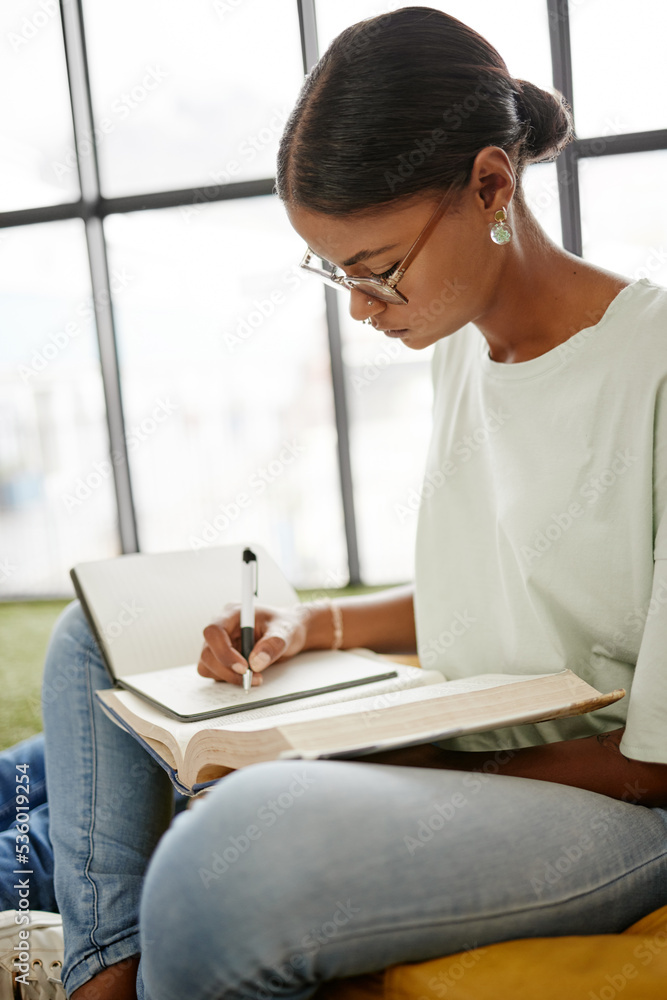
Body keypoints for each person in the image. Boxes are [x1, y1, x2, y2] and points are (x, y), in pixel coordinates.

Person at [6, 5, 666, 999]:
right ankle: (107, 967)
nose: (360, 308)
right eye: (336, 273)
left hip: (613, 802)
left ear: (491, 183)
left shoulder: (651, 369)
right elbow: (517, 585)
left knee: (224, 855)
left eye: (379, 270)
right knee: (92, 637)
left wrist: (414, 767)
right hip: (462, 730)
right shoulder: (460, 344)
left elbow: (650, 764)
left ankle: (88, 930)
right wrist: (313, 621)